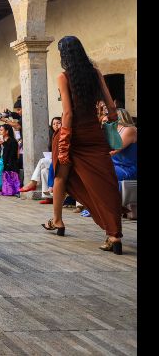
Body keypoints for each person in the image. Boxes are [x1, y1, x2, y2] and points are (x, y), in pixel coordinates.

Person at [42, 36, 124, 254]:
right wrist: (105, 123)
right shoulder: (95, 74)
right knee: (106, 184)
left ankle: (57, 221)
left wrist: (64, 142)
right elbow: (112, 109)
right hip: (94, 136)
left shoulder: (63, 77)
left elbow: (67, 113)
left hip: (73, 136)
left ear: (64, 55)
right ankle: (114, 235)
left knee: (61, 176)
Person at [19, 117, 62, 203]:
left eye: (58, 123)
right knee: (43, 171)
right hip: (53, 160)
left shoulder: (63, 134)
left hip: (61, 160)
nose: (56, 125)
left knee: (42, 161)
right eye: (54, 124)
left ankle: (33, 182)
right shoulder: (53, 136)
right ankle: (49, 197)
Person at [110, 108, 137, 186]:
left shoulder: (130, 130)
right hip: (116, 167)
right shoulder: (115, 132)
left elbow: (113, 151)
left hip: (126, 168)